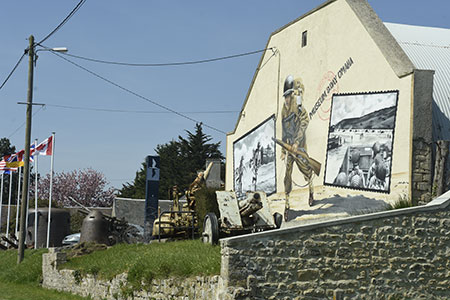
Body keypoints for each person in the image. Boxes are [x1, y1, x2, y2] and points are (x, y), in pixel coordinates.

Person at [281, 75, 314, 220]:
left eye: (288, 95)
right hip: (289, 148)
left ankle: (311, 189)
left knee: (305, 169)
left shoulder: (298, 106)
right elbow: (283, 129)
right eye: (285, 96)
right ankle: (287, 205)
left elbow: (304, 121)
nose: (287, 99)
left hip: (299, 146)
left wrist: (297, 141)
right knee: (287, 176)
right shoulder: (284, 110)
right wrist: (284, 149)